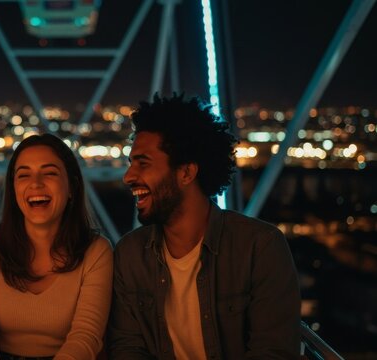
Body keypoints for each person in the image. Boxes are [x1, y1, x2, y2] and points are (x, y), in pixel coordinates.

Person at [108, 94, 301, 359]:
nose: (128, 176)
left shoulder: (260, 248)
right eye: (131, 164)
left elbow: (273, 351)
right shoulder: (130, 254)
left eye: (143, 163)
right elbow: (126, 349)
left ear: (186, 173)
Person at [0, 134, 113, 360]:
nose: (36, 183)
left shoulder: (96, 252)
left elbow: (85, 336)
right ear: (13, 189)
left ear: (72, 187)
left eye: (50, 173)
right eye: (23, 175)